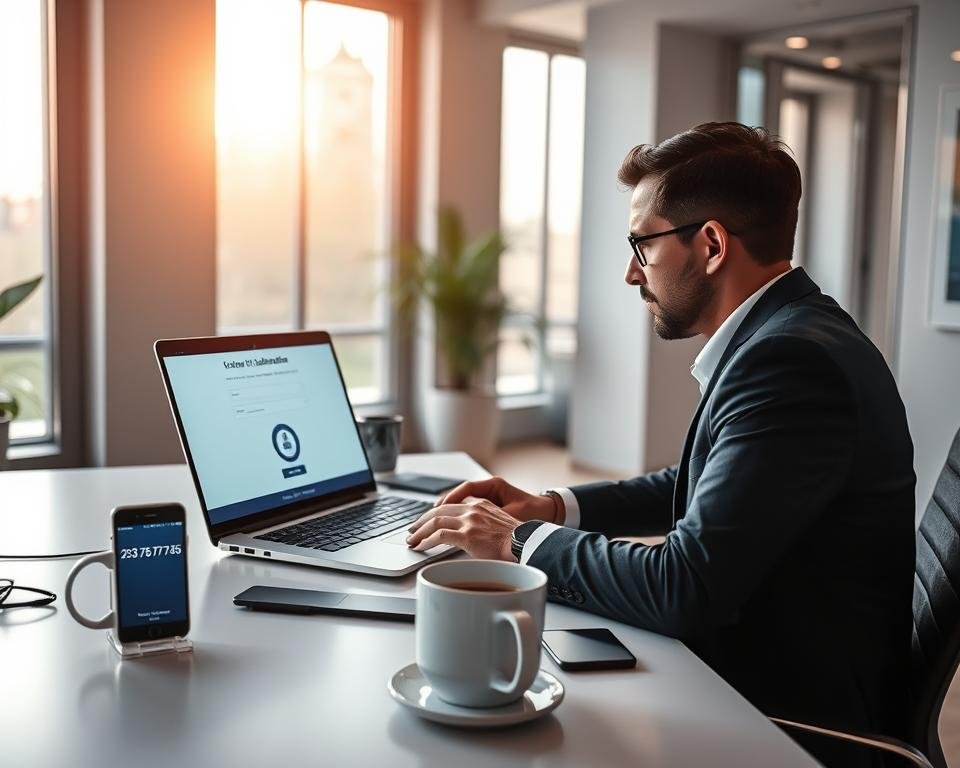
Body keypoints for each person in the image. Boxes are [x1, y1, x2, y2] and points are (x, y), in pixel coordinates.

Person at [406, 122, 916, 767]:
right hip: (766, 659)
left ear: (709, 244)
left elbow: (685, 588)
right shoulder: (796, 331)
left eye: (641, 244)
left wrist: (513, 539)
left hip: (784, 710)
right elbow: (698, 483)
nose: (629, 273)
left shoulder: (788, 362)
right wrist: (548, 507)